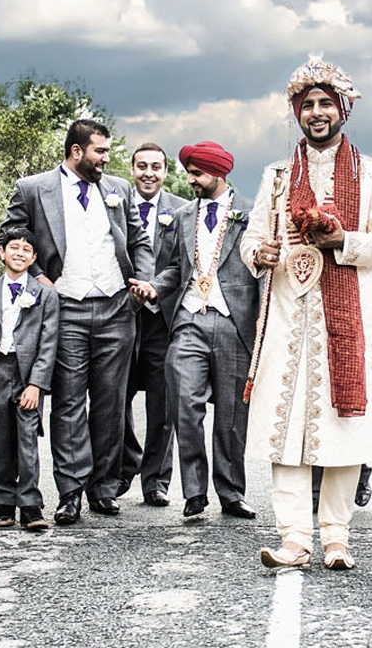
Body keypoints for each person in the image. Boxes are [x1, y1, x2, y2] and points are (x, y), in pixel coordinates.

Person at [242, 55, 372, 570]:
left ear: (341, 110)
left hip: (350, 319)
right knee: (284, 428)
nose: (316, 113)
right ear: (298, 113)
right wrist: (260, 253)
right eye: (308, 105)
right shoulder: (275, 176)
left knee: (345, 427)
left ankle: (336, 536)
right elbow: (252, 237)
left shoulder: (371, 174)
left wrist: (344, 241)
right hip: (288, 318)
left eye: (325, 104)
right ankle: (294, 537)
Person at [0, 119, 155, 525]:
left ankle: (103, 488)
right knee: (68, 403)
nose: (106, 158)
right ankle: (70, 492)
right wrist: (37, 277)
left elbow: (139, 240)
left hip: (116, 308)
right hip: (65, 308)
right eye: (100, 151)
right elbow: (10, 234)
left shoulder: (119, 189)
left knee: (110, 403)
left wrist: (142, 282)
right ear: (76, 151)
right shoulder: (33, 188)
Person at [151, 141, 257, 521]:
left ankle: (231, 493)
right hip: (189, 321)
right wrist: (154, 287)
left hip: (234, 323)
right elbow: (172, 268)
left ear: (219, 172)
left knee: (232, 416)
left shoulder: (251, 214)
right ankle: (194, 493)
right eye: (189, 173)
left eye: (196, 173)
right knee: (184, 404)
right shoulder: (182, 216)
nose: (190, 180)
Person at [114, 142, 189, 506]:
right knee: (115, 397)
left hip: (163, 318)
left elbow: (183, 263)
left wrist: (156, 290)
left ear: (165, 171)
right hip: (121, 317)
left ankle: (156, 480)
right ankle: (125, 463)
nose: (148, 173)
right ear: (132, 170)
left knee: (163, 403)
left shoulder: (182, 210)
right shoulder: (113, 206)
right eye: (141, 166)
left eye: (156, 167)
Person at [0, 228, 61, 532]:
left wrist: (36, 384)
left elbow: (48, 343)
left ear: (34, 257)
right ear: (1, 253)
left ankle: (30, 504)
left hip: (27, 374)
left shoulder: (45, 294)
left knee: (27, 440)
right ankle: (3, 501)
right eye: (14, 247)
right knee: (0, 439)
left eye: (27, 250)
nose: (20, 253)